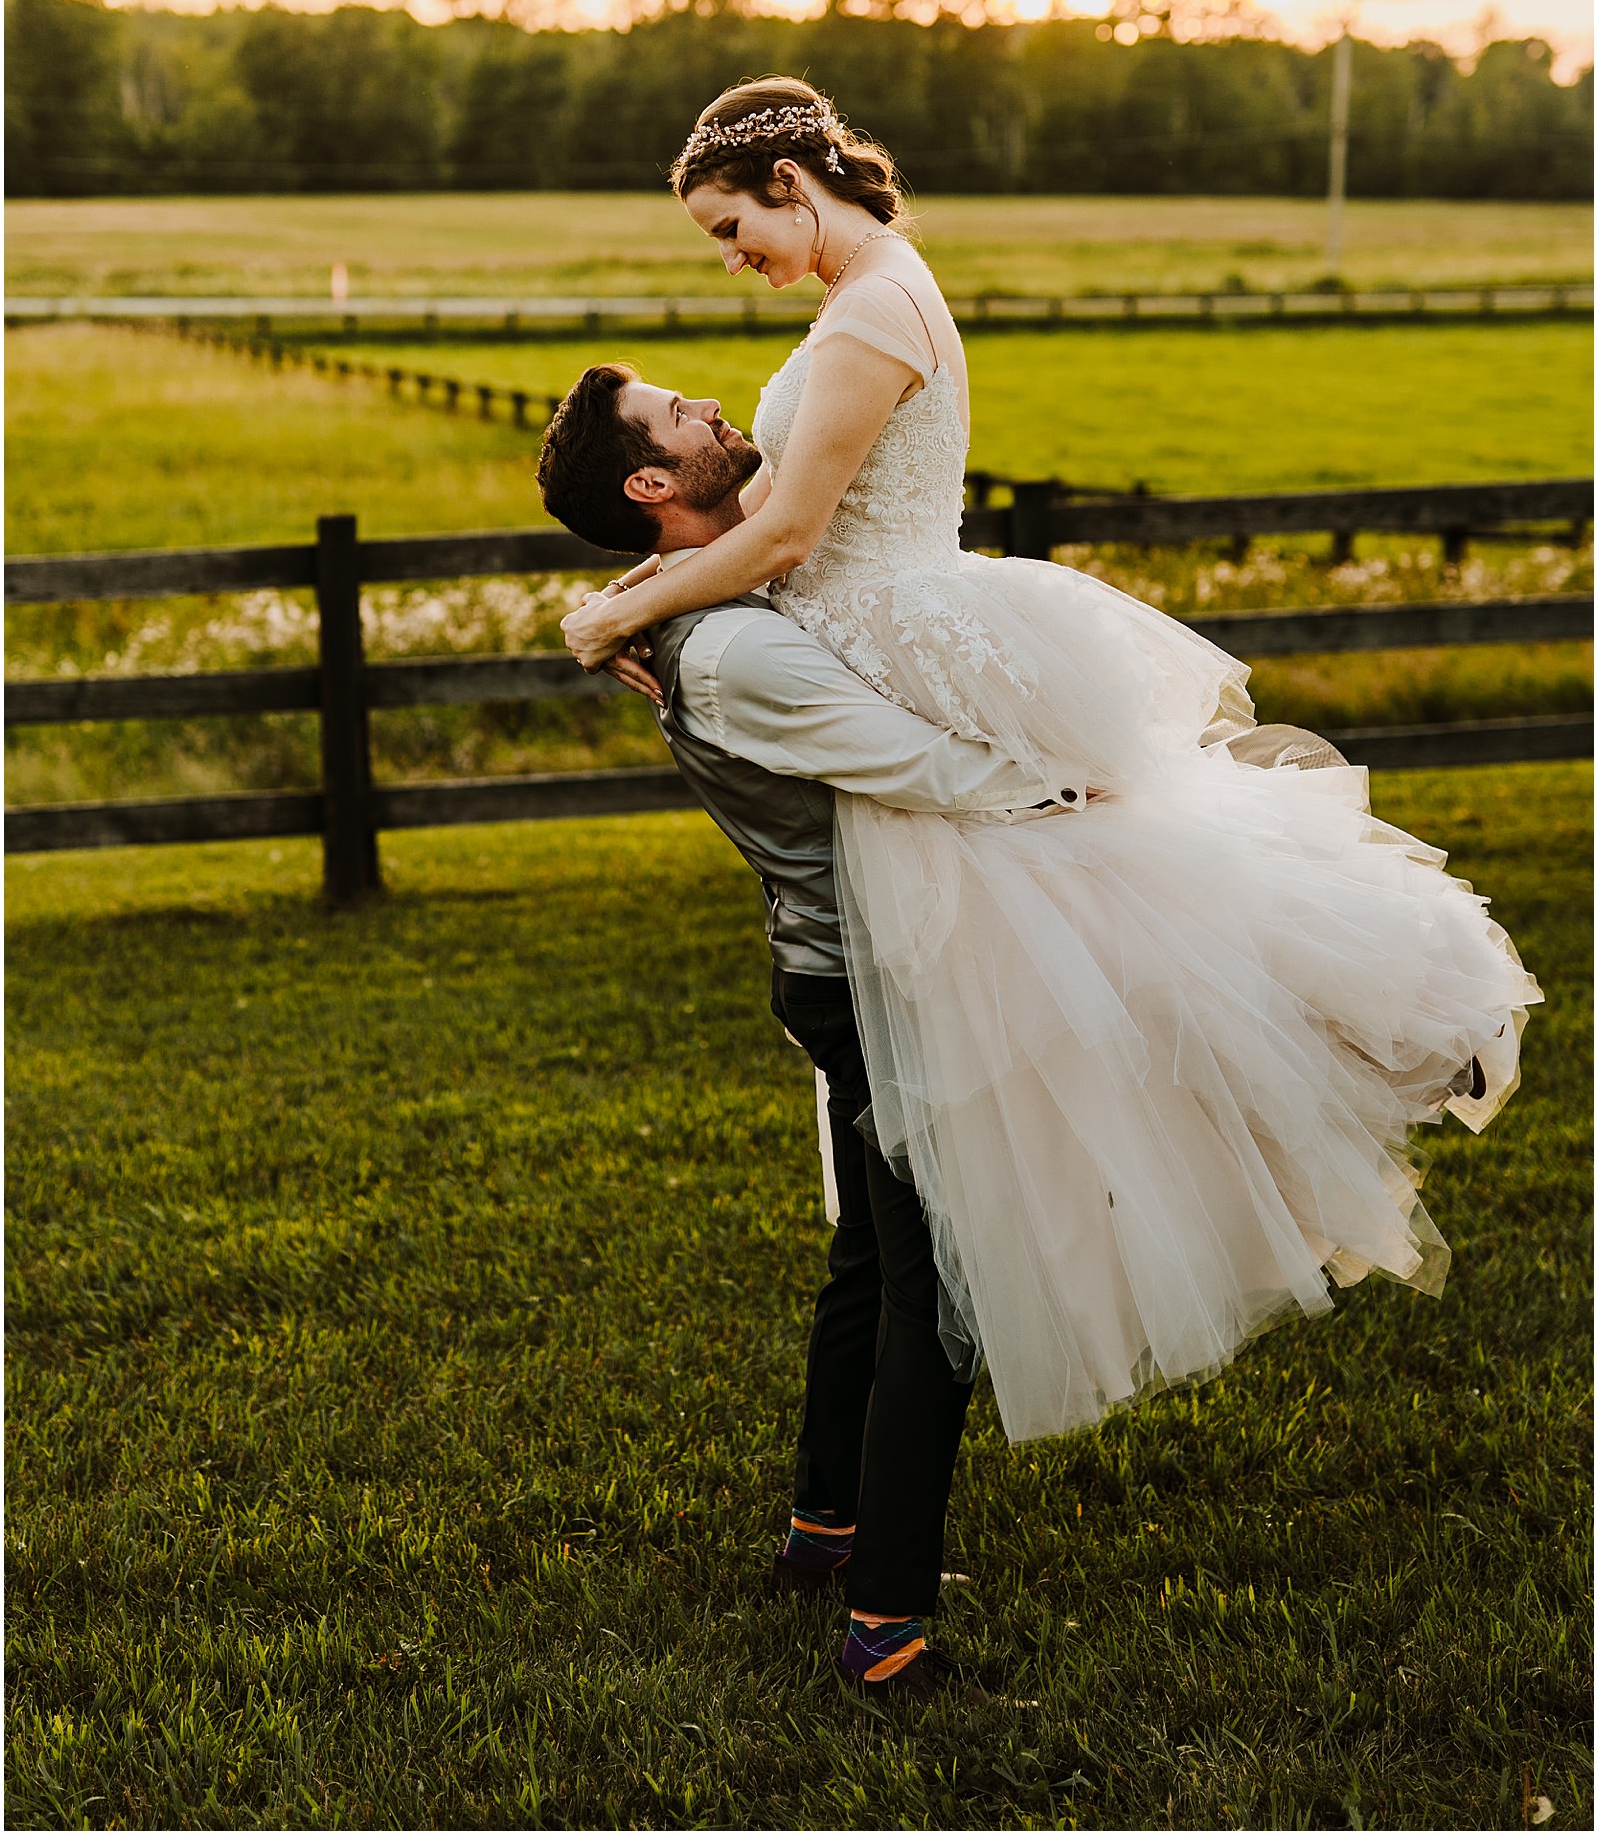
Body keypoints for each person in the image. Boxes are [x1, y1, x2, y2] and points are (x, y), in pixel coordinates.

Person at [555, 76, 1541, 1450]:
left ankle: (1365, 1025)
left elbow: (784, 537)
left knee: (1105, 886)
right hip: (870, 628)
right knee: (1080, 903)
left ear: (791, 184)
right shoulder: (861, 299)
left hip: (904, 625)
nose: (735, 262)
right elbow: (775, 536)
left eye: (733, 229)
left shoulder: (872, 310)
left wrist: (628, 605)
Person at [537, 366, 1064, 1699]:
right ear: (649, 485)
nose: (714, 411)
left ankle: (825, 1531)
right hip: (871, 984)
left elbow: (795, 522)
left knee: (869, 1264)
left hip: (835, 968)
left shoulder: (702, 609)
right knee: (932, 1287)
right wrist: (1084, 785)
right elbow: (932, 773)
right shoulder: (736, 651)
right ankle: (886, 1628)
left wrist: (606, 611)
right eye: (676, 418)